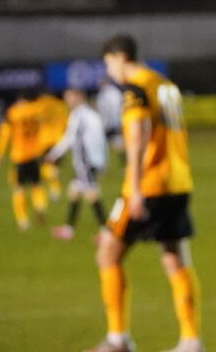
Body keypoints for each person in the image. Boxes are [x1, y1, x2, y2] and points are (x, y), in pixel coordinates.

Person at [86, 34, 202, 352]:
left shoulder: (135, 89)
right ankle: (191, 341)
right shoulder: (165, 85)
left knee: (107, 251)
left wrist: (134, 188)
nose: (108, 70)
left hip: (148, 185)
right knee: (175, 258)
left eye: (108, 63)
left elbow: (137, 138)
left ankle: (117, 338)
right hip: (177, 182)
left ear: (119, 57)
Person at [47, 88, 108, 241]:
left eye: (69, 97)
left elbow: (70, 138)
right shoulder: (90, 115)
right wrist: (102, 160)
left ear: (79, 97)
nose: (67, 101)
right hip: (88, 161)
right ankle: (69, 229)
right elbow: (100, 139)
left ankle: (106, 231)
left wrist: (53, 154)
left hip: (85, 162)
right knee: (74, 192)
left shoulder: (80, 115)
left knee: (91, 194)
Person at [0, 88, 48, 230]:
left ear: (20, 99)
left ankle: (23, 220)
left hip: (20, 156)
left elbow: (5, 135)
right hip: (35, 154)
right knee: (37, 184)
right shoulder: (36, 111)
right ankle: (40, 205)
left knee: (19, 188)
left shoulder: (14, 113)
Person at [36, 91, 69, 200]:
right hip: (59, 140)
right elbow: (66, 123)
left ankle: (55, 188)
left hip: (45, 140)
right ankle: (55, 189)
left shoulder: (40, 104)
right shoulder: (61, 105)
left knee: (45, 166)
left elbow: (36, 120)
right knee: (53, 165)